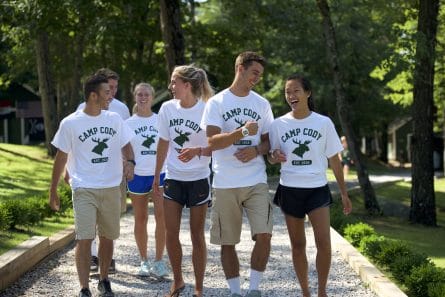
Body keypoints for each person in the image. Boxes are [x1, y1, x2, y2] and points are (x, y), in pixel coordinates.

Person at [48, 74, 135, 297]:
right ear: (93, 95)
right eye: (107, 92)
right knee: (84, 238)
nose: (111, 95)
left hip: (111, 187)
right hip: (83, 187)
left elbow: (127, 144)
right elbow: (60, 158)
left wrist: (131, 163)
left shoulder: (114, 119)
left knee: (107, 237)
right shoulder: (71, 123)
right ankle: (84, 287)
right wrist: (53, 191)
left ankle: (104, 280)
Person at [267, 73, 352, 297]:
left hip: (317, 188)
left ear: (307, 93)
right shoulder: (278, 124)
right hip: (290, 188)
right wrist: (274, 156)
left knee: (323, 241)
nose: (291, 95)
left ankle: (322, 291)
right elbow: (272, 156)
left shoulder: (323, 123)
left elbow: (335, 159)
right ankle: (305, 292)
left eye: (296, 90)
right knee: (297, 245)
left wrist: (344, 193)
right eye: (287, 92)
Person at [201, 51, 274, 297]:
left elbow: (268, 143)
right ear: (240, 68)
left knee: (264, 235)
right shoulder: (217, 103)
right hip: (225, 182)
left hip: (256, 180)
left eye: (260, 75)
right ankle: (235, 292)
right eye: (254, 72)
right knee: (227, 241)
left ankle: (254, 289)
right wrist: (241, 133)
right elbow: (212, 141)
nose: (257, 78)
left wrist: (255, 150)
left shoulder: (262, 104)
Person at [153, 64, 213, 297]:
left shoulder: (206, 109)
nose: (170, 87)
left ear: (186, 85)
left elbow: (215, 147)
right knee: (171, 232)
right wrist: (157, 176)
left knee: (196, 235)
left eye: (174, 82)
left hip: (198, 179)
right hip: (174, 179)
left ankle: (198, 287)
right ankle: (177, 281)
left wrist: (197, 151)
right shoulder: (167, 108)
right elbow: (163, 143)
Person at [76, 68, 130, 273]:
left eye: (116, 88)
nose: (113, 92)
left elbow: (126, 140)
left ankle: (109, 258)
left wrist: (128, 163)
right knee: (90, 219)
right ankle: (92, 256)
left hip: (114, 171)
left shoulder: (122, 109)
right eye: (110, 88)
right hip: (90, 171)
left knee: (111, 218)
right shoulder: (82, 107)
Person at [125, 83, 169, 277]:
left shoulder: (161, 120)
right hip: (138, 175)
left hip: (160, 173)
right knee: (140, 218)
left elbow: (169, 147)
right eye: (139, 94)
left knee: (162, 217)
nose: (143, 97)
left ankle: (159, 261)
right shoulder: (128, 123)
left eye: (146, 95)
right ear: (135, 97)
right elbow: (124, 150)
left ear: (152, 97)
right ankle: (143, 261)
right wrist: (127, 166)